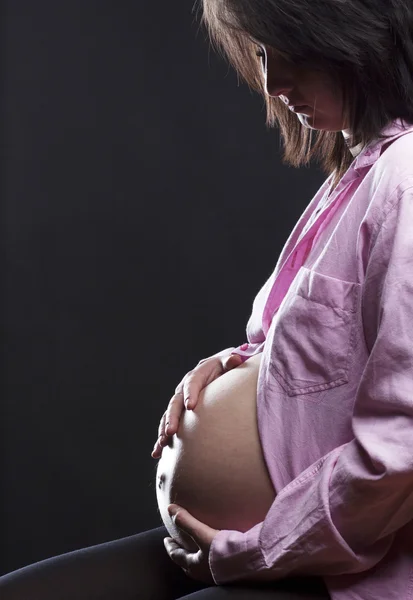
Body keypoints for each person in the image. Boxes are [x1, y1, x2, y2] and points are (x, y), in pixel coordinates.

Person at [3, 0, 413, 598]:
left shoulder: (406, 176)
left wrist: (258, 550)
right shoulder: (356, 172)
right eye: (262, 55)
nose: (273, 83)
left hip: (332, 565)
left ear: (356, 34)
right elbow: (339, 359)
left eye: (289, 52)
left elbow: (402, 447)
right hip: (255, 542)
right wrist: (240, 367)